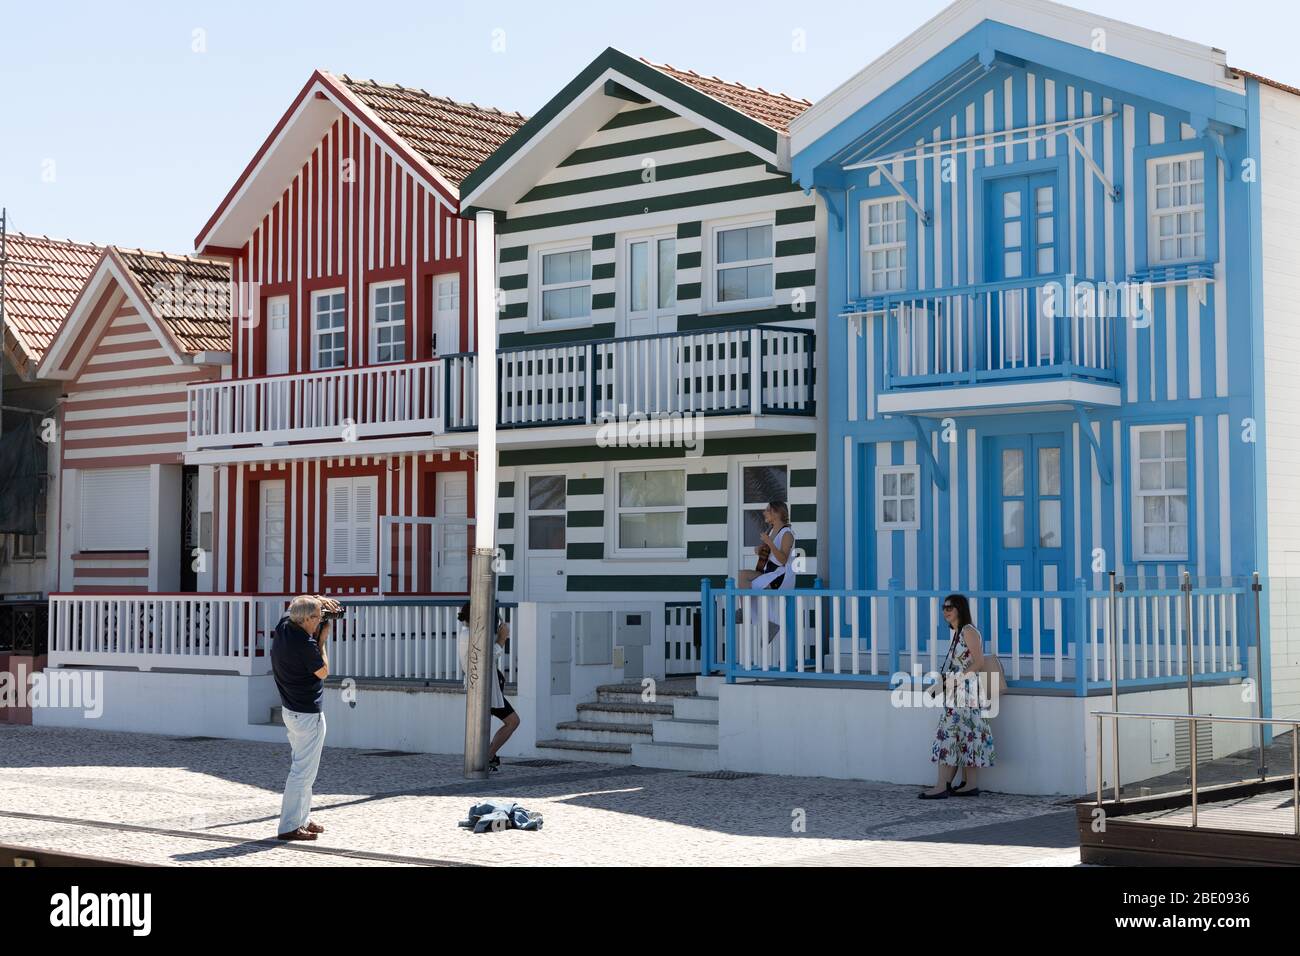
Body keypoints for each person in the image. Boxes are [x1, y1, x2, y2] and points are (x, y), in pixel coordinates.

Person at [270, 594, 340, 839]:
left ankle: (302, 818)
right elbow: (323, 672)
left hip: (292, 711)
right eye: (318, 617)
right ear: (308, 619)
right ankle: (289, 826)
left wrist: (318, 599)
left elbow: (294, 604)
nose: (320, 621)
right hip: (307, 714)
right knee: (302, 773)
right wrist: (322, 642)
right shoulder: (306, 644)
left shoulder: (284, 628)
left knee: (305, 770)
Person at [919, 593, 996, 799]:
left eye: (950, 607)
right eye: (944, 607)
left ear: (960, 609)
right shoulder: (957, 632)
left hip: (964, 691)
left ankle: (941, 786)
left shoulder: (968, 631)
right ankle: (969, 784)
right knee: (965, 735)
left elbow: (978, 662)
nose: (946, 611)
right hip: (961, 690)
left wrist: (956, 680)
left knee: (948, 734)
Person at [457, 602, 520, 772]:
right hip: (484, 690)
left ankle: (488, 755)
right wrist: (502, 638)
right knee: (512, 721)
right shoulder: (470, 635)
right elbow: (487, 655)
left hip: (487, 689)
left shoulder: (470, 633)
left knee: (510, 722)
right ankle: (487, 756)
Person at [750, 500, 796, 640]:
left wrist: (769, 542)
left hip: (782, 575)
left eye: (767, 510)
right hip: (770, 572)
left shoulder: (787, 533)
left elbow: (782, 559)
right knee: (742, 577)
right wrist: (760, 550)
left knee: (761, 587)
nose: (764, 512)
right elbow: (768, 555)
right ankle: (747, 614)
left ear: (776, 513)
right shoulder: (770, 531)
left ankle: (772, 623)